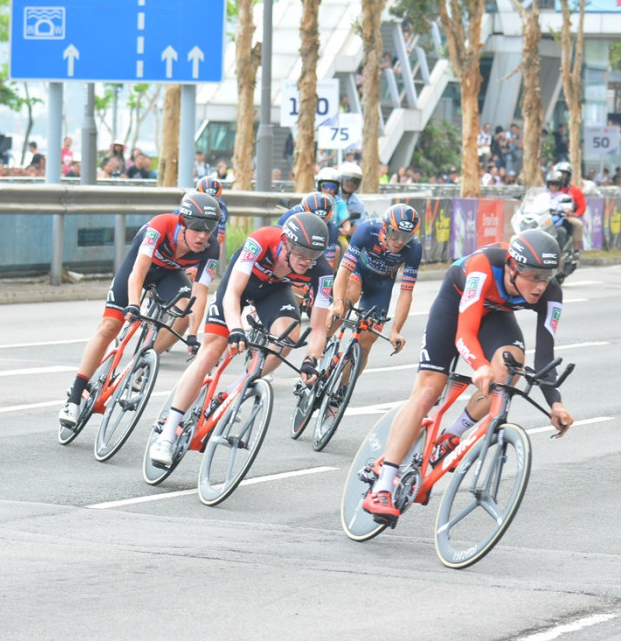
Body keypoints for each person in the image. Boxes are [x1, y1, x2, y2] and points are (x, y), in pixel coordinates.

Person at [361, 229, 574, 523]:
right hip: (455, 306)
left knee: (511, 367)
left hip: (496, 314)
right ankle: (383, 485)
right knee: (427, 392)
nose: (540, 285)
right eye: (533, 276)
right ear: (513, 266)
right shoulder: (484, 266)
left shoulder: (551, 294)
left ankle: (452, 434)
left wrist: (556, 404)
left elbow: (545, 357)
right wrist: (479, 366)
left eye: (546, 276)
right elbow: (465, 333)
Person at [148, 212, 334, 466]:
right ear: (286, 243)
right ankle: (167, 434)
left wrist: (311, 360)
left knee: (288, 336)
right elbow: (232, 294)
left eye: (313, 255)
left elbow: (319, 326)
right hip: (240, 287)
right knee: (212, 350)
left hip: (273, 292)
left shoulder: (322, 271)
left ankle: (235, 389)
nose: (306, 261)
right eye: (301, 253)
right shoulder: (261, 241)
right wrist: (236, 328)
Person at [59, 192, 222, 429]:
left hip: (169, 274)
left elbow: (201, 292)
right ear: (183, 223)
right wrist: (134, 304)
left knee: (185, 311)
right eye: (197, 229)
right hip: (138, 269)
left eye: (209, 230)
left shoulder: (210, 248)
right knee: (109, 326)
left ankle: (144, 359)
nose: (202, 236)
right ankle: (74, 397)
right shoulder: (160, 227)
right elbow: (138, 272)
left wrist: (194, 335)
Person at [327, 204, 421, 422]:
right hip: (358, 272)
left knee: (367, 339)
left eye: (406, 237)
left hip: (381, 286)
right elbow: (344, 270)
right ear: (386, 228)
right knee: (348, 298)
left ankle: (342, 388)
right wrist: (338, 303)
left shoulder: (413, 248)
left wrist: (396, 330)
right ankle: (320, 349)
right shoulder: (366, 231)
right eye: (395, 234)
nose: (400, 241)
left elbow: (406, 293)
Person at [552, 161, 586, 255]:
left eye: (564, 174)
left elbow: (582, 206)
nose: (562, 176)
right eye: (559, 174)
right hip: (549, 216)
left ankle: (576, 250)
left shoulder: (575, 191)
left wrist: (574, 214)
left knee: (578, 224)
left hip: (567, 216)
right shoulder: (548, 190)